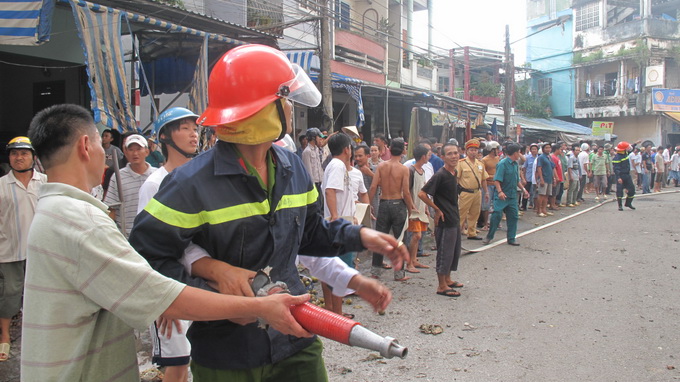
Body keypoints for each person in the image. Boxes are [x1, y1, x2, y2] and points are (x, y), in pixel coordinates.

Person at [128, 45, 407, 381]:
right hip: (227, 356)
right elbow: (148, 262)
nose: (289, 109)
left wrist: (361, 236)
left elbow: (310, 234)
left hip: (295, 342)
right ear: (263, 111)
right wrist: (218, 296)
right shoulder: (188, 184)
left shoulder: (292, 168)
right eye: (285, 100)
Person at [22, 103, 313, 381]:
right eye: (101, 143)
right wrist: (257, 308)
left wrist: (213, 270)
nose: (105, 152)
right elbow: (161, 292)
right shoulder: (80, 222)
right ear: (85, 146)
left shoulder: (53, 211)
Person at [136, 107, 200, 382]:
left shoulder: (200, 179)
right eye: (184, 128)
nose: (193, 134)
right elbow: (145, 247)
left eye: (194, 128)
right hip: (168, 289)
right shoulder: (154, 185)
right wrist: (161, 301)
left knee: (198, 360)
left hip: (197, 285)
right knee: (176, 367)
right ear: (165, 137)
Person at [0, 136, 47, 362]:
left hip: (41, 252)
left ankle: (40, 335)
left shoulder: (46, 182)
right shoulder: (1, 185)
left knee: (41, 294)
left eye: (24, 153)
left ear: (33, 157)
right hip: (9, 251)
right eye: (14, 154)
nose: (19, 157)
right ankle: (5, 337)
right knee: (10, 294)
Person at [418, 143, 463, 298]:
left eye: (456, 153)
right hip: (444, 221)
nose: (454, 156)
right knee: (444, 252)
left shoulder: (453, 172)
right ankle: (441, 286)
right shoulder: (440, 174)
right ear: (442, 157)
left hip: (454, 217)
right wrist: (436, 209)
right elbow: (422, 194)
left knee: (454, 252)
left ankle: (448, 279)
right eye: (449, 154)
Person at [368, 138, 415, 281]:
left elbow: (373, 186)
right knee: (400, 239)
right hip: (398, 204)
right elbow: (406, 192)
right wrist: (411, 208)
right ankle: (399, 273)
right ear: (402, 151)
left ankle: (375, 271)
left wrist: (369, 204)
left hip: (383, 203)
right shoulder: (403, 169)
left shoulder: (382, 166)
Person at [103, 133, 156, 238]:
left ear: (147, 151)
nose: (135, 153)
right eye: (131, 149)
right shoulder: (117, 176)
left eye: (138, 149)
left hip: (153, 236)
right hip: (126, 237)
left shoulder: (157, 176)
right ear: (125, 152)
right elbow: (111, 209)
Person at [483, 143, 529, 246]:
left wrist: (524, 190)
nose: (519, 154)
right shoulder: (502, 164)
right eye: (518, 152)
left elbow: (517, 180)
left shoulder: (515, 164)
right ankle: (489, 236)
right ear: (515, 153)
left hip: (512, 195)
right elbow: (497, 180)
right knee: (497, 215)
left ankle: (511, 238)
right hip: (502, 195)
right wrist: (499, 192)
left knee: (513, 216)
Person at [404, 144, 431, 273]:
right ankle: (409, 263)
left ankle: (413, 260)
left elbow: (423, 190)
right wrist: (411, 206)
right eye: (428, 154)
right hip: (414, 209)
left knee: (418, 236)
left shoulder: (422, 170)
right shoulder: (411, 170)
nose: (429, 157)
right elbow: (406, 191)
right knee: (416, 236)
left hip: (420, 208)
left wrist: (425, 206)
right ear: (423, 156)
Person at [456, 139, 489, 240]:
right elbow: (456, 179)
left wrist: (486, 192)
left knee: (475, 213)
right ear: (466, 151)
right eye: (471, 150)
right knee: (461, 213)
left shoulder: (480, 164)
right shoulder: (461, 163)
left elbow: (483, 179)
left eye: (475, 150)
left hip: (477, 192)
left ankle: (472, 232)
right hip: (465, 192)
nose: (473, 152)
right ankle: (456, 233)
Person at [301, 127, 327, 205]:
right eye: (318, 137)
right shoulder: (307, 152)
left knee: (321, 203)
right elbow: (308, 170)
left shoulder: (317, 149)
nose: (320, 139)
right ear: (313, 138)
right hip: (314, 184)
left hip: (320, 182)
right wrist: (311, 186)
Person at [481, 141, 500, 229]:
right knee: (486, 205)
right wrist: (492, 176)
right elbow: (482, 174)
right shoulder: (485, 160)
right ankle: (485, 224)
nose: (498, 151)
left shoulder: (498, 159)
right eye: (496, 149)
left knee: (497, 204)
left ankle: (496, 222)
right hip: (488, 184)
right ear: (492, 150)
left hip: (497, 184)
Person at [612, 141, 636, 211]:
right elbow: (616, 169)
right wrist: (619, 177)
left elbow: (631, 149)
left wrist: (635, 143)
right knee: (619, 191)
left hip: (627, 175)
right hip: (620, 176)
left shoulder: (625, 154)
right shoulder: (617, 158)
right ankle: (620, 205)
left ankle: (628, 203)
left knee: (632, 190)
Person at [536, 143, 556, 217]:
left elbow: (553, 167)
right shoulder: (541, 157)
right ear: (543, 149)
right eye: (546, 148)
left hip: (549, 178)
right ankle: (539, 210)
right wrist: (541, 179)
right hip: (543, 178)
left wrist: (553, 178)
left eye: (549, 148)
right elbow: (539, 168)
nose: (548, 149)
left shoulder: (549, 157)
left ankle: (544, 210)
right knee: (541, 195)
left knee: (547, 195)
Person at [521, 143, 539, 211]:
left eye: (535, 149)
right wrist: (524, 178)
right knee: (526, 192)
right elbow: (524, 168)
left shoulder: (538, 157)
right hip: (528, 177)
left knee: (535, 192)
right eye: (532, 149)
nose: (534, 150)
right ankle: (523, 206)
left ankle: (534, 206)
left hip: (535, 178)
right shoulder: (527, 157)